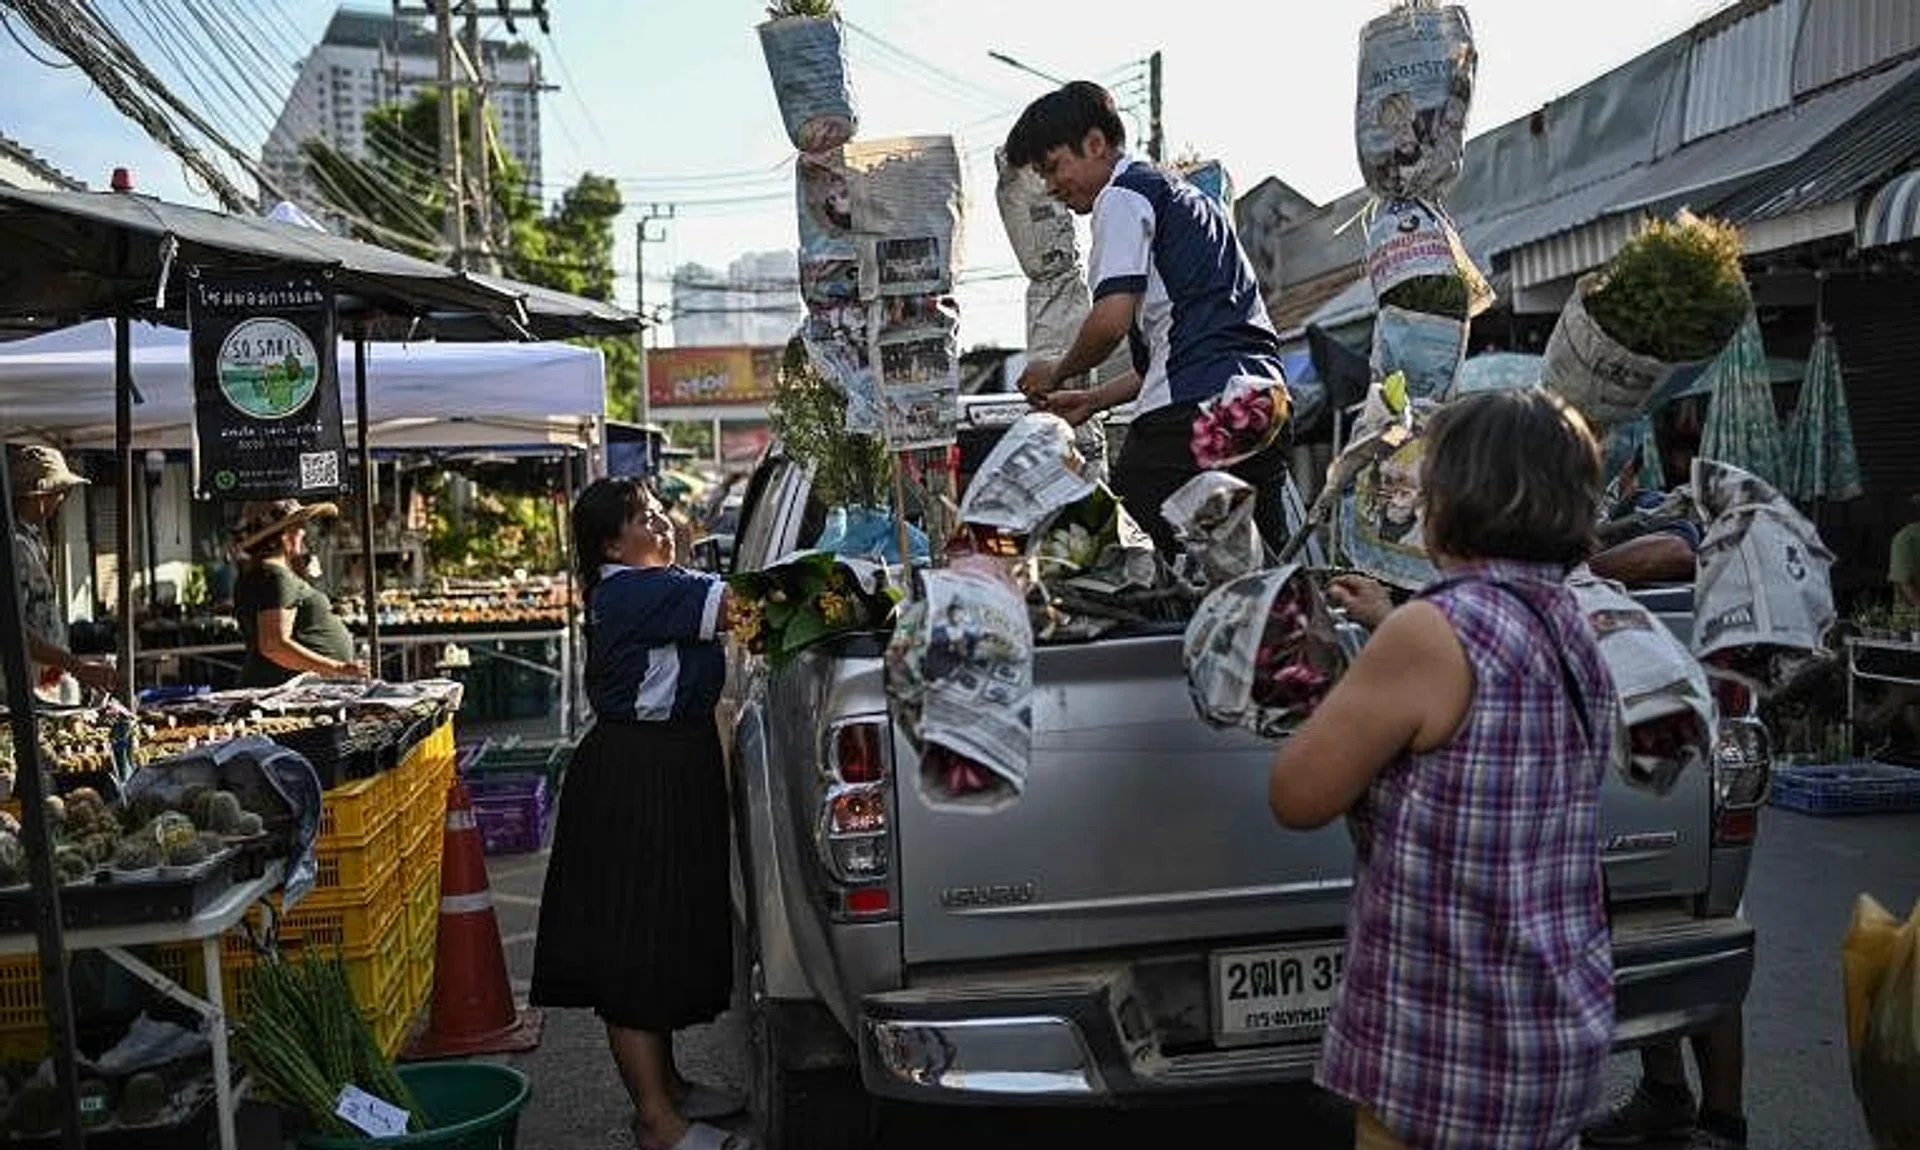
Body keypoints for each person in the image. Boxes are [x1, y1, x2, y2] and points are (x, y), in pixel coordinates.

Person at [1267, 390, 1616, 1150]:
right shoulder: (1576, 622)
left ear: (1452, 495)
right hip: (1551, 1036)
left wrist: (1301, 674)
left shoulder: (1433, 631)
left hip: (1448, 1055)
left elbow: (1297, 795)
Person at [530, 477, 746, 1150]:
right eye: (643, 517)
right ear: (611, 545)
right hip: (639, 773)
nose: (662, 522)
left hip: (668, 760)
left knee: (664, 929)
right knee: (636, 941)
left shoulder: (649, 584)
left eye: (657, 509)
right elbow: (743, 606)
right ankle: (656, 1119)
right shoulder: (632, 590)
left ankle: (670, 1087)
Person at [1004, 80, 1290, 554]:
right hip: (1262, 404)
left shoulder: (1122, 196)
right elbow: (1172, 354)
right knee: (1260, 571)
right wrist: (1093, 399)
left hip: (1198, 410)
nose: (1052, 187)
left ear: (1095, 143)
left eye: (1053, 167)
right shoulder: (1188, 199)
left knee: (1125, 547)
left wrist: (1056, 371)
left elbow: (1110, 321)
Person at [4, 445, 120, 703]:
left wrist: (72, 665)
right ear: (40, 495)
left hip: (48, 685)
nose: (63, 499)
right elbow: (14, 630)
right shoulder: (15, 547)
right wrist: (77, 666)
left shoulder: (32, 540)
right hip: (26, 693)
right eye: (61, 492)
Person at [230, 499, 363, 687]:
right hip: (289, 688)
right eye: (299, 526)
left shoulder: (266, 573)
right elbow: (274, 645)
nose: (304, 532)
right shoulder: (275, 576)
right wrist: (338, 667)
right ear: (284, 535)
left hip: (294, 687)